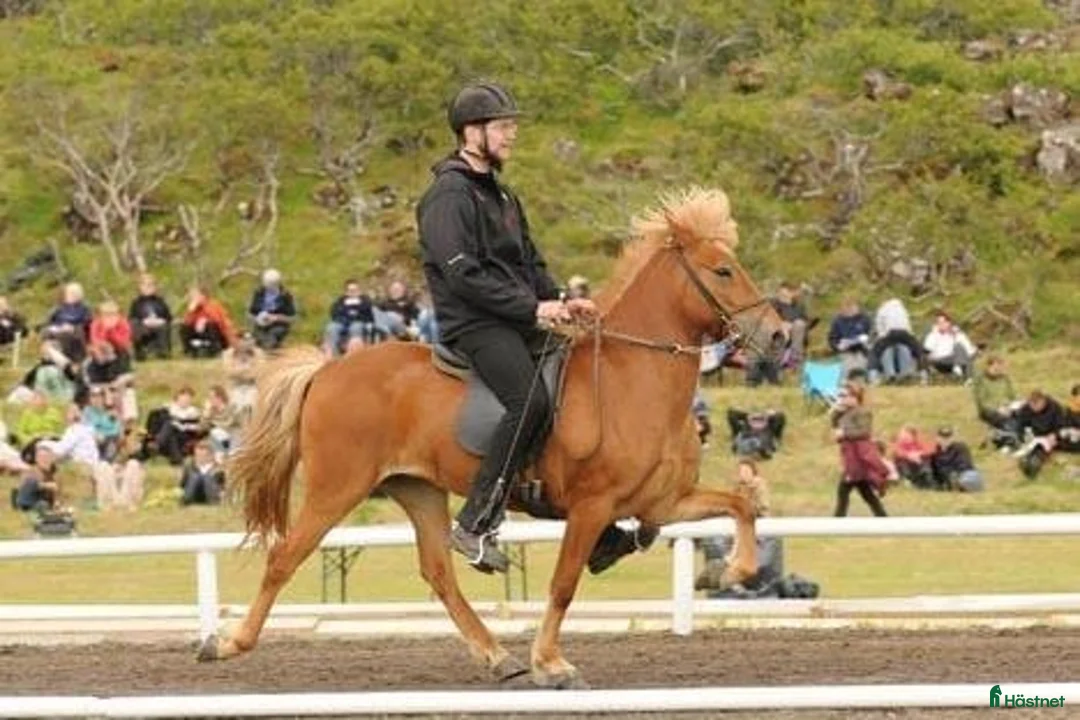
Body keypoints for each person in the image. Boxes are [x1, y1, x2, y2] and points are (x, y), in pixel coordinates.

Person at [416, 81, 595, 572]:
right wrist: (535, 310)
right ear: (472, 132)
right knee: (530, 401)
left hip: (514, 316)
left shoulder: (503, 195)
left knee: (572, 384)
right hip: (475, 323)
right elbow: (463, 274)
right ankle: (474, 523)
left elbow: (530, 262)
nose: (512, 134)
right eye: (503, 126)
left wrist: (562, 299)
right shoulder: (447, 196)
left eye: (511, 126)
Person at [831, 383, 892, 516]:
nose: (842, 399)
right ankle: (882, 517)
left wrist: (845, 434)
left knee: (844, 489)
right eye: (841, 396)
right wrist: (836, 412)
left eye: (845, 396)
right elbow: (834, 425)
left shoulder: (863, 412)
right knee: (865, 492)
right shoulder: (844, 412)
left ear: (855, 397)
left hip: (859, 455)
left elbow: (864, 432)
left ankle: (837, 519)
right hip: (850, 454)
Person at [248, 268, 296, 350]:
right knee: (257, 338)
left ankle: (270, 347)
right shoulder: (259, 293)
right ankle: (262, 344)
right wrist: (258, 318)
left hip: (277, 325)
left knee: (272, 337)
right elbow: (251, 313)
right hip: (260, 325)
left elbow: (292, 318)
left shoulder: (285, 296)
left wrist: (276, 318)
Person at [128, 273, 173, 360]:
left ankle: (163, 353)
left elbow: (168, 317)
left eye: (151, 285)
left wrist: (161, 321)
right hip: (143, 328)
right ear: (140, 287)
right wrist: (143, 322)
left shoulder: (160, 302)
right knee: (134, 324)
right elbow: (131, 318)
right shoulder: (136, 303)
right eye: (145, 285)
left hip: (159, 326)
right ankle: (140, 353)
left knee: (164, 327)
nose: (148, 287)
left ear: (155, 287)